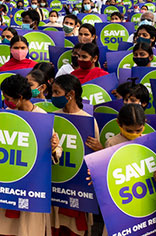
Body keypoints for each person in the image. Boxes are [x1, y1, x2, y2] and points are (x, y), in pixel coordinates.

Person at [0, 75, 60, 236]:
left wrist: (53, 148)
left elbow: (57, 152)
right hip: (8, 183)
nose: (5, 100)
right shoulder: (5, 114)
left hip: (31, 187)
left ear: (19, 98)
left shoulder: (41, 117)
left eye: (7, 98)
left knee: (27, 230)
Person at [49, 75, 100, 234]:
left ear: (70, 94)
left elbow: (95, 159)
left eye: (57, 92)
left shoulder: (88, 121)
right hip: (55, 186)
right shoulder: (52, 117)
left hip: (77, 189)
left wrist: (99, 148)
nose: (53, 96)